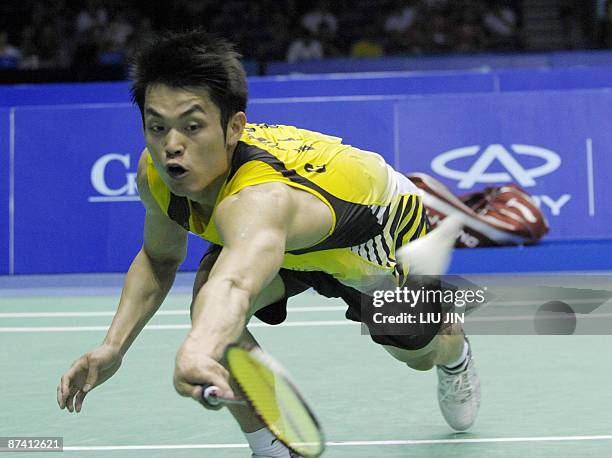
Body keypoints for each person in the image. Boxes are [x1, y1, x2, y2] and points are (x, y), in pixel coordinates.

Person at [56, 30, 481, 458]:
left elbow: (236, 286)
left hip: (375, 234)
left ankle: (455, 351)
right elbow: (159, 257)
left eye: (192, 126)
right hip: (277, 248)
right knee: (209, 304)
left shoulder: (260, 199)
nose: (172, 146)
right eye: (157, 127)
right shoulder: (156, 174)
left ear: (233, 127)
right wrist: (114, 346)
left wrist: (198, 348)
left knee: (418, 353)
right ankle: (272, 448)